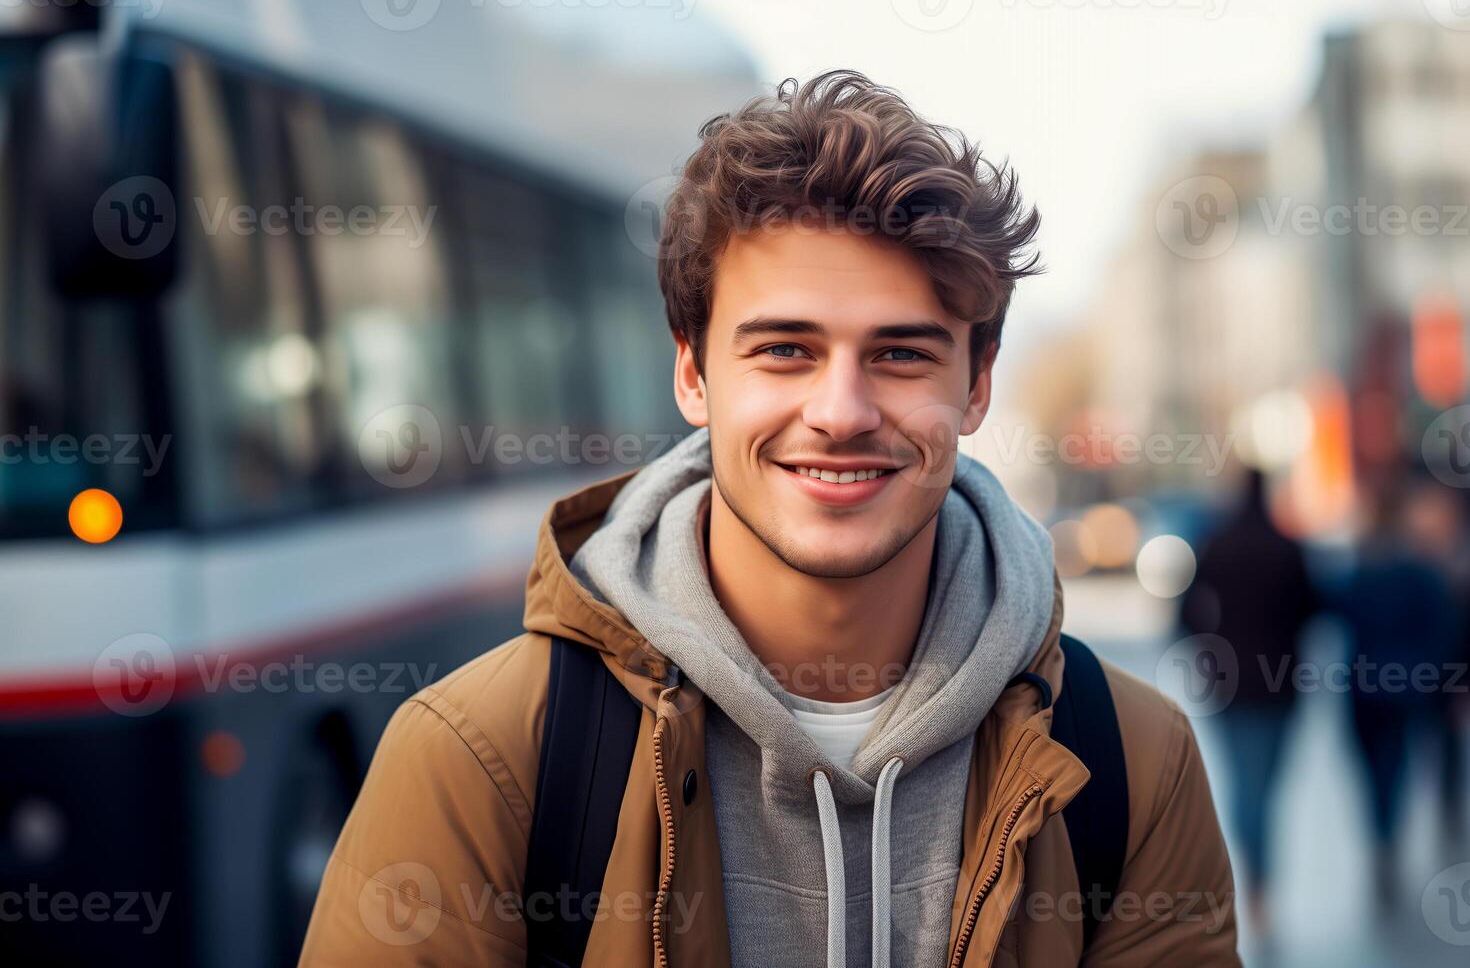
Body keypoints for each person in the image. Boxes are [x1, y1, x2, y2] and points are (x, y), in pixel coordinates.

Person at [298, 70, 1240, 966]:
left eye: (903, 354)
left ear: (978, 386)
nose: (840, 411)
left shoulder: (1130, 764)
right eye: (785, 349)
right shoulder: (482, 760)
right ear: (694, 375)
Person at [1178, 468, 1318, 939]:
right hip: (1280, 686)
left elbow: (1183, 611)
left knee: (1243, 783)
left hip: (1229, 684)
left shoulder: (1217, 544)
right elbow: (1313, 608)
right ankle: (1260, 881)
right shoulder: (1287, 547)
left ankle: (1255, 880)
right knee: (1267, 785)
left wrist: (1208, 646)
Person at [1335, 478, 1465, 913]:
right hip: (1404, 690)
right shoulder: (1421, 573)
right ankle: (1388, 840)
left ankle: (1382, 837)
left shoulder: (1359, 572)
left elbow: (1337, 618)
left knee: (1375, 772)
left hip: (1365, 691)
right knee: (1395, 767)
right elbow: (1444, 632)